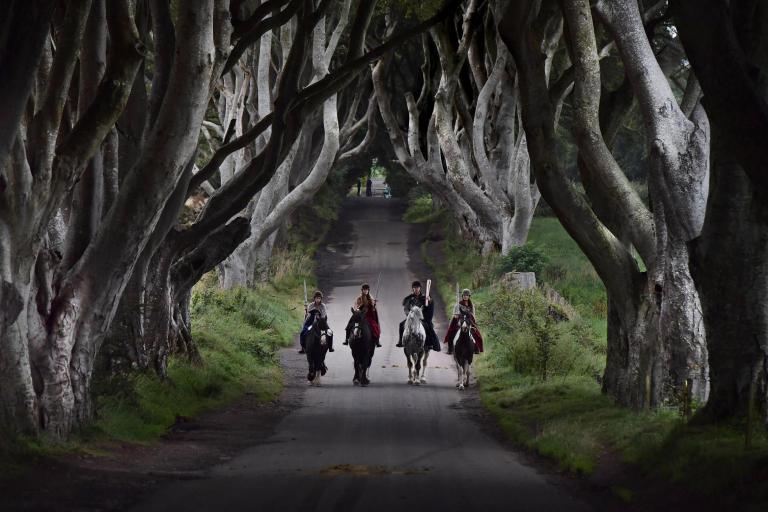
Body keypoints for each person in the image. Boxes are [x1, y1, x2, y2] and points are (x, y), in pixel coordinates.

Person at [397, 280, 441, 352]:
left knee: (427, 327)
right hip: (411, 318)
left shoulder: (425, 297)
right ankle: (401, 341)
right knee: (401, 325)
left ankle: (429, 343)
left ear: (420, 288)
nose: (416, 289)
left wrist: (430, 301)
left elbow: (429, 307)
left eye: (417, 287)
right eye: (414, 288)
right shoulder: (409, 299)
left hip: (422, 318)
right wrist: (409, 315)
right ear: (412, 289)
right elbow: (406, 309)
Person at [443, 288, 484, 354]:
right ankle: (450, 349)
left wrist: (472, 319)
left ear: (469, 296)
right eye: (464, 295)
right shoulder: (458, 304)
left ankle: (476, 348)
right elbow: (454, 314)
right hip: (459, 320)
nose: (465, 296)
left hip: (468, 321)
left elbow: (473, 315)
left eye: (467, 295)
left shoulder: (471, 305)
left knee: (476, 334)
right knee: (451, 333)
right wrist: (456, 315)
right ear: (462, 296)